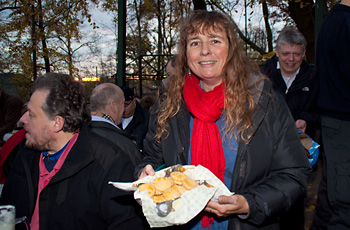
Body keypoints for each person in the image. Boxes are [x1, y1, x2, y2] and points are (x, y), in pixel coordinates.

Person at [136, 10, 311, 230]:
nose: (205, 51)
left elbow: (294, 174)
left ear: (231, 49)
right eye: (195, 43)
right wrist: (146, 176)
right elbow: (152, 157)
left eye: (215, 40)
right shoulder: (170, 101)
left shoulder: (263, 101)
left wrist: (250, 203)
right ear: (185, 52)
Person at [0, 73, 148, 230]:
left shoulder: (109, 163)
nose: (23, 119)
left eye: (31, 114)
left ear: (57, 123)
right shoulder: (26, 153)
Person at [311, 1, 350, 229]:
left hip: (335, 124)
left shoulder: (331, 21)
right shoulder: (343, 23)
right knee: (345, 207)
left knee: (329, 195)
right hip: (344, 125)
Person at [261, 26, 319, 139]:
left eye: (296, 54)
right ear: (277, 52)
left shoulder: (314, 78)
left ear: (304, 53)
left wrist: (306, 120)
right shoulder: (261, 77)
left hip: (302, 145)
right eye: (285, 54)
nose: (291, 59)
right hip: (268, 143)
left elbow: (322, 112)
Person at [89, 83, 142, 167]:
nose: (124, 109)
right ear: (113, 106)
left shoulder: (73, 135)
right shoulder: (125, 146)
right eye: (123, 104)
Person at [120, 86, 150, 151]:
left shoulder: (147, 120)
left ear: (134, 101)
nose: (122, 109)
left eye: (126, 105)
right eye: (119, 105)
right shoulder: (112, 118)